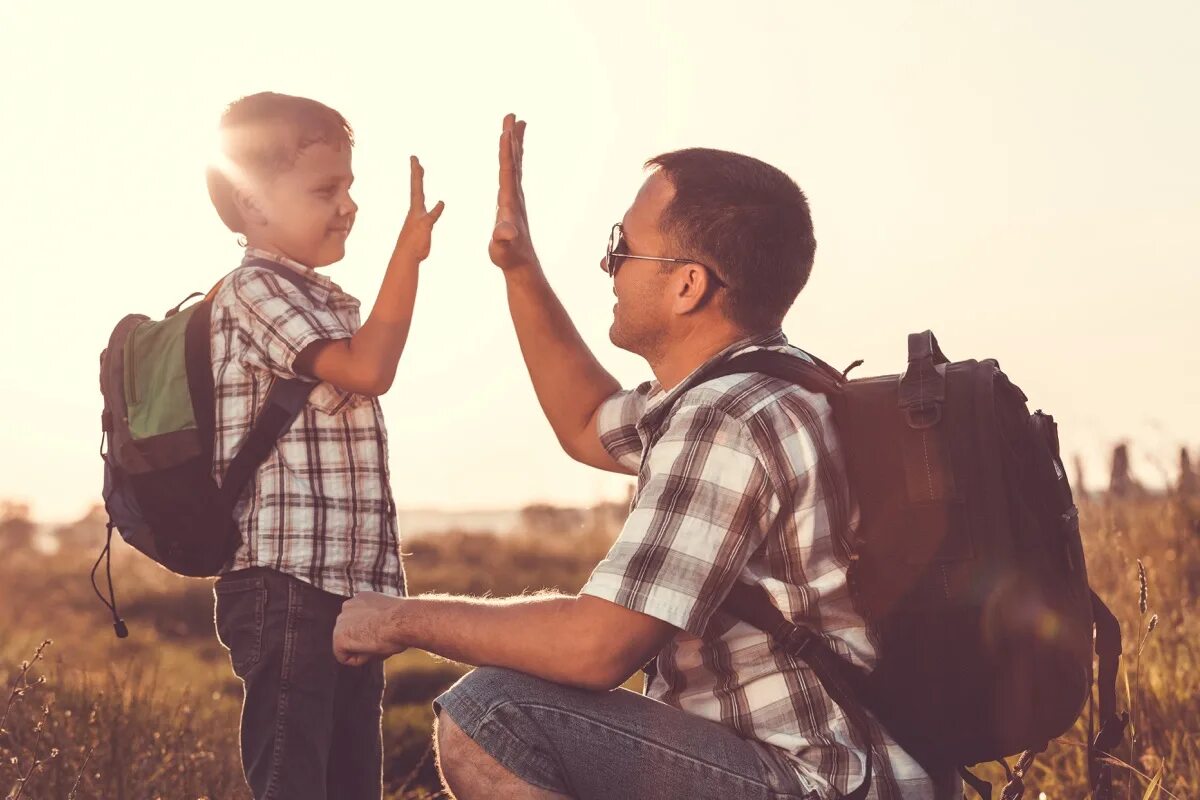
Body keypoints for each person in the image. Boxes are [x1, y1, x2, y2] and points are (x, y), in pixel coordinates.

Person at [333, 114, 955, 799]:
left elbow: (596, 648)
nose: (608, 265)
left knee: (494, 714)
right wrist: (519, 266)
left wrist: (397, 618)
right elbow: (583, 419)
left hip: (814, 782)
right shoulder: (778, 383)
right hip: (844, 768)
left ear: (689, 285)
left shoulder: (724, 418)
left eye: (621, 247)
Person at [205, 91, 443, 800]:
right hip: (285, 580)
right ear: (252, 204)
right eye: (325, 188)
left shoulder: (322, 299)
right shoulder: (251, 291)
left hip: (345, 586)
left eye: (349, 186)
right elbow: (368, 369)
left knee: (350, 785)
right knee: (293, 782)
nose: (348, 205)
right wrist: (408, 259)